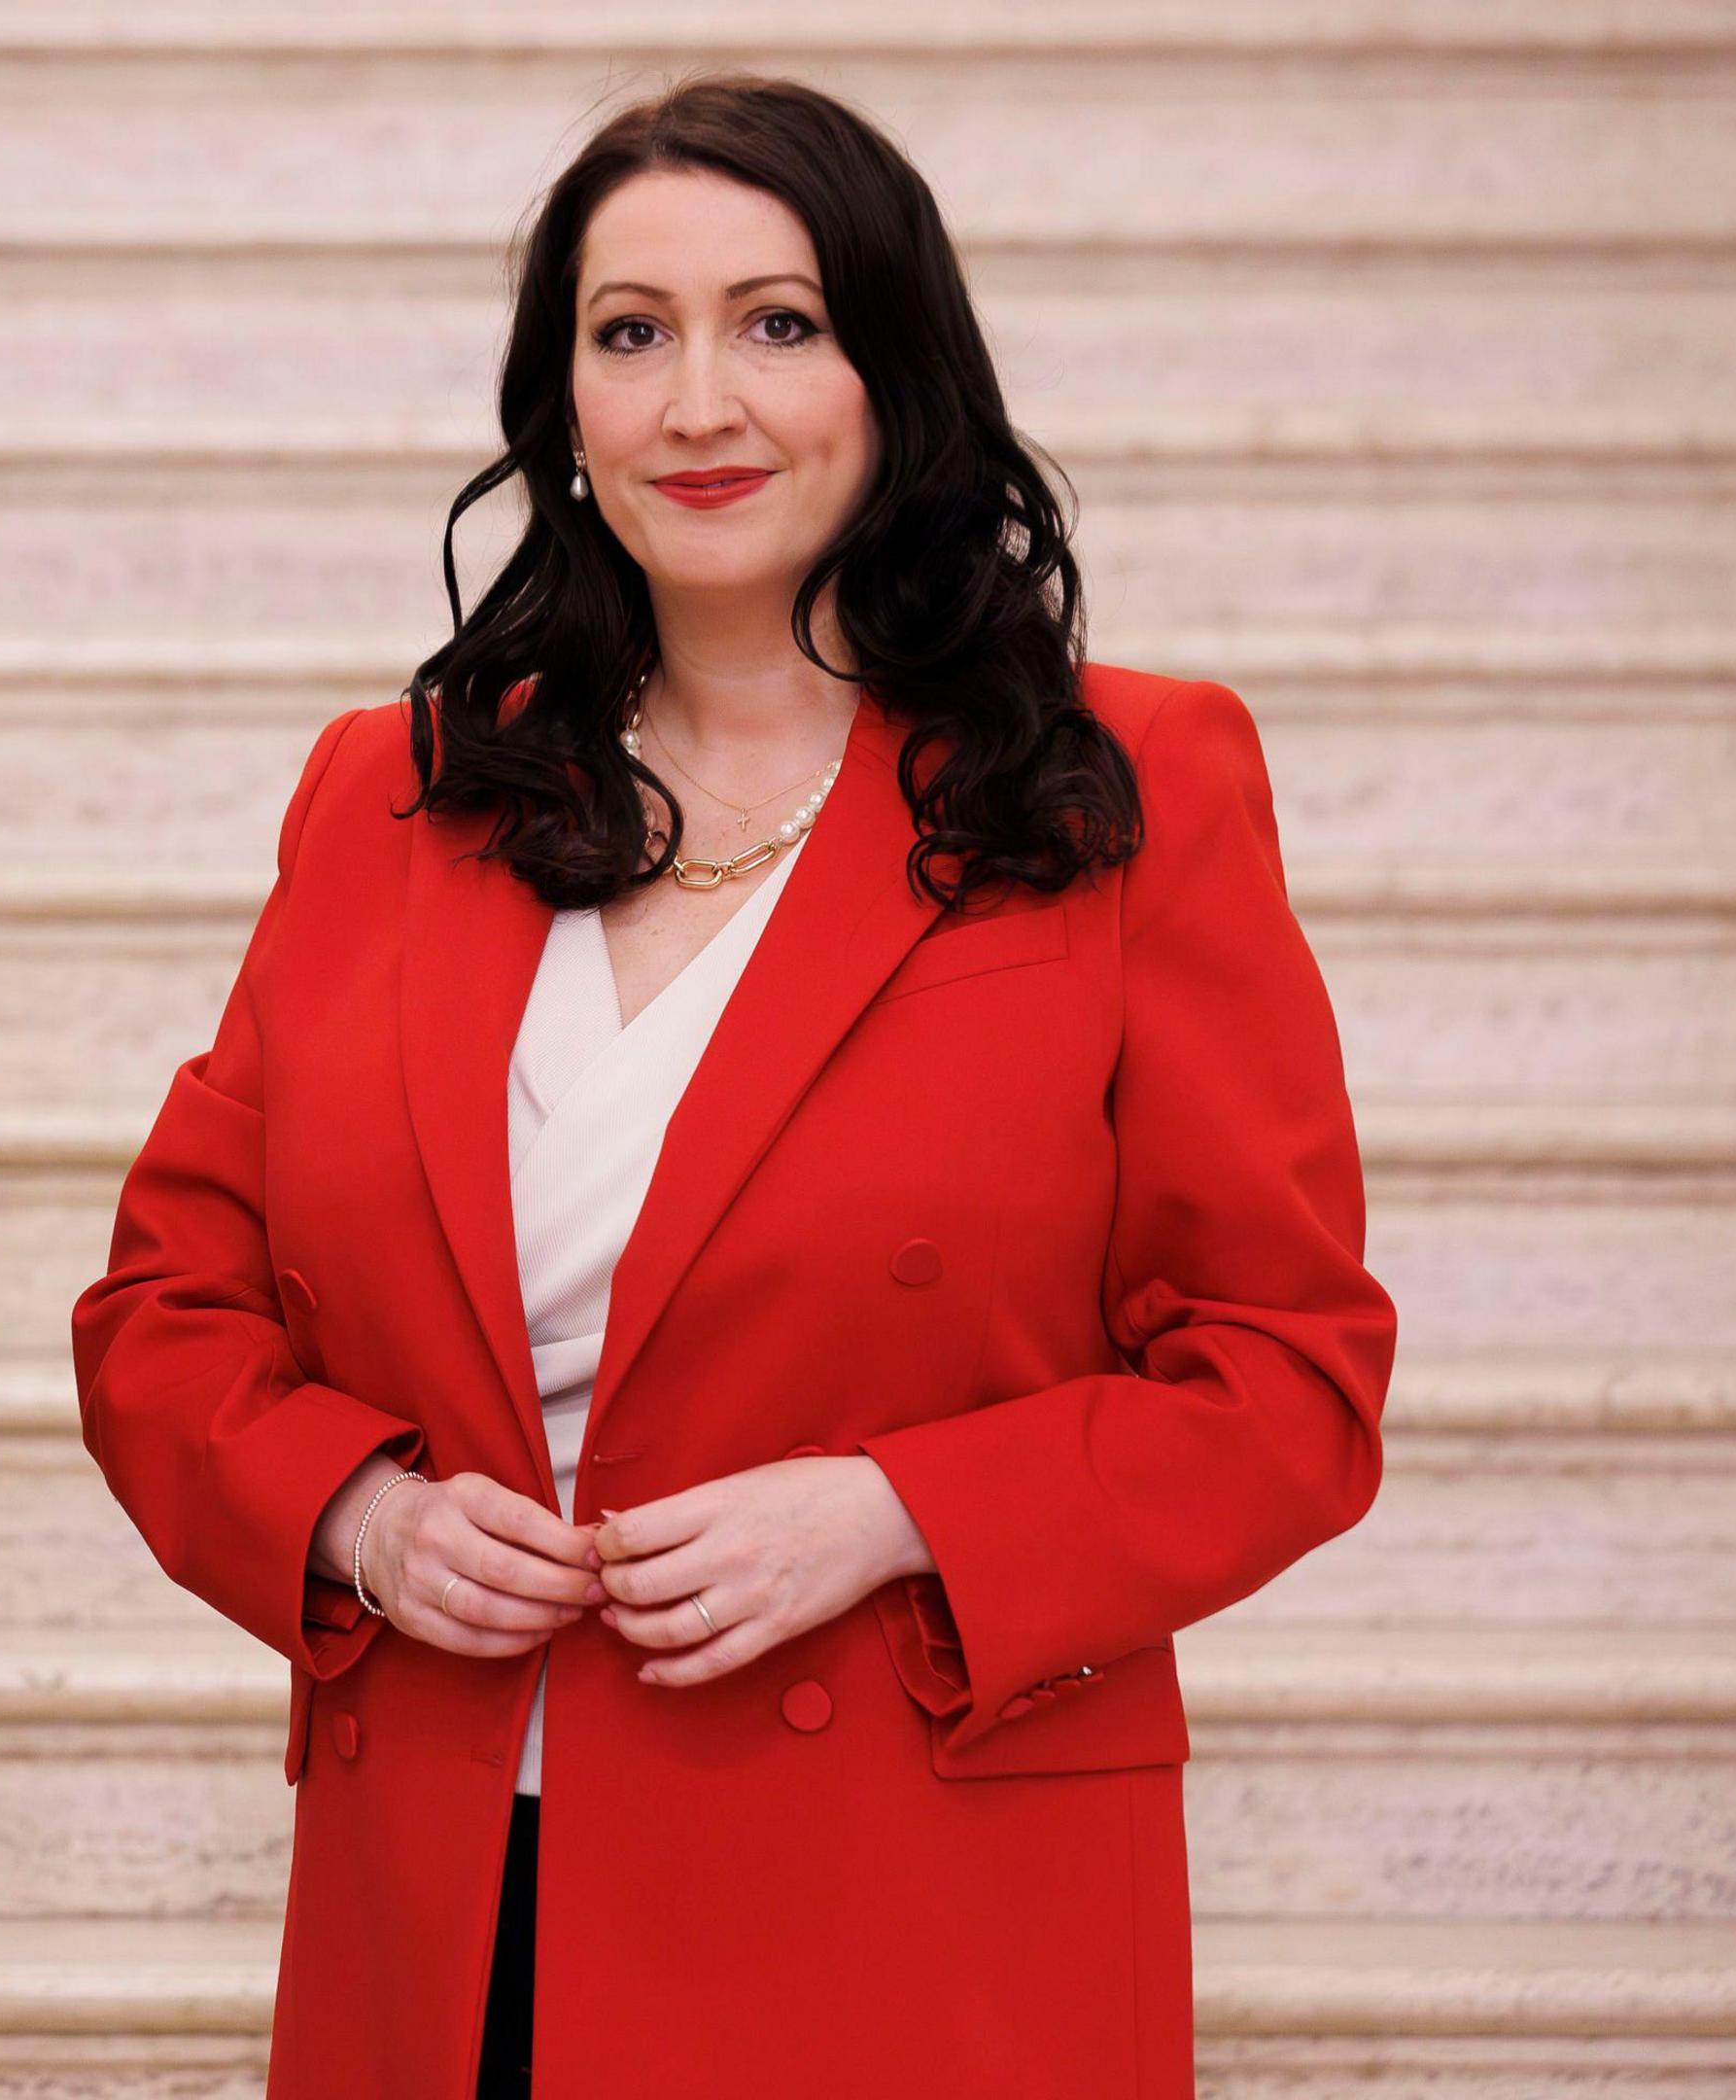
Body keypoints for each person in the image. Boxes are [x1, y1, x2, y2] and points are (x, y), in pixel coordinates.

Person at [72, 77, 1395, 2098]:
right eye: (632, 333)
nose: (701, 400)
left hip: (915, 1907)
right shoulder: (397, 796)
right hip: (450, 1904)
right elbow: (168, 1314)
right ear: (566, 406)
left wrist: (894, 1511)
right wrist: (354, 1518)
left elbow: (1287, 1376)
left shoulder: (1129, 784)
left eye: (777, 323)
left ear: (896, 374)